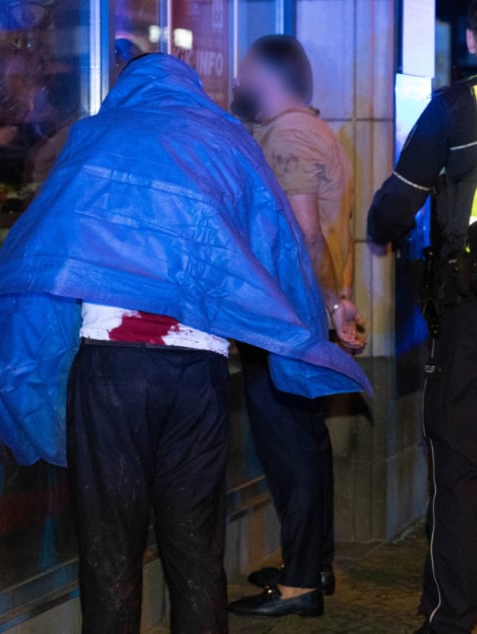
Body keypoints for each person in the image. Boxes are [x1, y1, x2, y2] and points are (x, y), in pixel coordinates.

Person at [0, 53, 369, 634]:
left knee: (110, 550)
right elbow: (280, 245)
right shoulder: (229, 142)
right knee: (196, 549)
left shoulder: (94, 137)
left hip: (110, 373)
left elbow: (40, 250)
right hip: (196, 374)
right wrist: (312, 326)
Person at [227, 36, 367, 619]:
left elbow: (307, 233)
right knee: (306, 442)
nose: (237, 82)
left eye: (244, 72)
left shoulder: (287, 137)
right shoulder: (317, 133)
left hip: (287, 318)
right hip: (304, 315)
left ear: (267, 76)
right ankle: (314, 564)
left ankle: (300, 584)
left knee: (290, 449)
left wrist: (331, 305)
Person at [367, 4, 477, 632]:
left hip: (468, 324)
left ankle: (452, 618)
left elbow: (392, 207)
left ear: (468, 36)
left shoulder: (457, 109)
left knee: (459, 466)